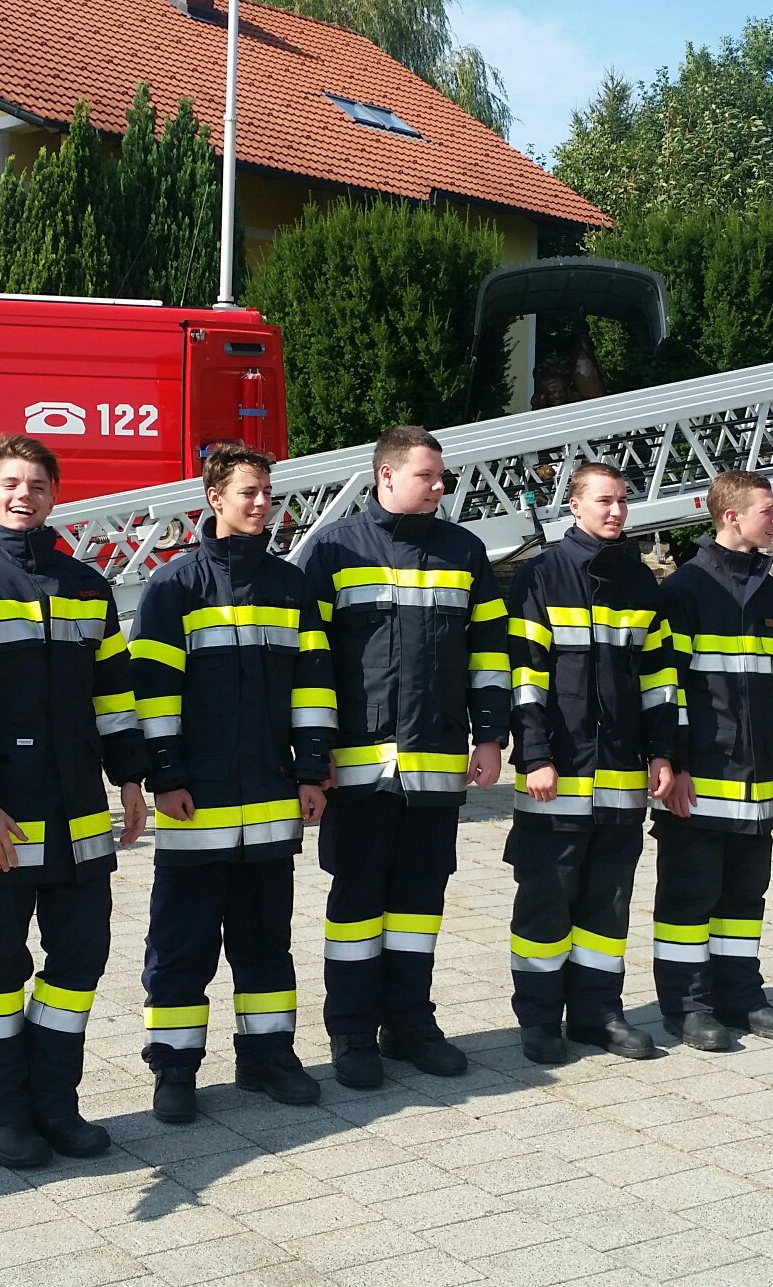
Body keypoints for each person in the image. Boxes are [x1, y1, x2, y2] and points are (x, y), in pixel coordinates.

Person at [0, 434, 149, 1169]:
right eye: (12, 484)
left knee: (79, 964)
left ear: (55, 496)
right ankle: (1, 1116)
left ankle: (55, 1104)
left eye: (38, 485)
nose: (25, 495)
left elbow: (114, 697)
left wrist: (131, 778)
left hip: (80, 824)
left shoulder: (87, 587)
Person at [127, 443, 332, 1123]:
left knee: (265, 941)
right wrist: (165, 777)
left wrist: (312, 770)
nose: (262, 503)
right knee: (182, 946)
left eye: (267, 492)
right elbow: (153, 694)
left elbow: (312, 686)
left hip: (272, 801)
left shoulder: (291, 586)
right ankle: (174, 1068)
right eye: (249, 491)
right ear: (214, 498)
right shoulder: (174, 586)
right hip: (199, 803)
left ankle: (267, 1058)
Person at [299, 425, 508, 1089]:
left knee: (419, 905)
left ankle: (411, 1024)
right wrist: (314, 756)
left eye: (441, 476)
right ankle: (352, 1031)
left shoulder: (464, 551)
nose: (440, 486)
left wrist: (490, 736)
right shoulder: (334, 549)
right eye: (427, 476)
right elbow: (310, 660)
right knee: (357, 905)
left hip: (436, 767)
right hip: (358, 772)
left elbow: (490, 651)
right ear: (386, 475)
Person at [503, 462, 680, 1065]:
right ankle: (538, 1019)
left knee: (608, 902)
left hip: (622, 779)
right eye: (604, 501)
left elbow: (659, 678)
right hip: (557, 776)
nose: (616, 511)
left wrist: (663, 752)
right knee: (546, 900)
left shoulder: (638, 580)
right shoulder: (542, 576)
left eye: (623, 501)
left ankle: (598, 1013)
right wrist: (534, 755)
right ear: (574, 506)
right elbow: (525, 677)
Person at [654, 471, 773, 1052]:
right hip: (700, 779)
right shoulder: (685, 590)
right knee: (689, 899)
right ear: (731, 516)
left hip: (757, 781)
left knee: (744, 900)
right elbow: (667, 687)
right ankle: (687, 1007)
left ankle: (740, 996)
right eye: (768, 510)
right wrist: (674, 763)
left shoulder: (772, 596)